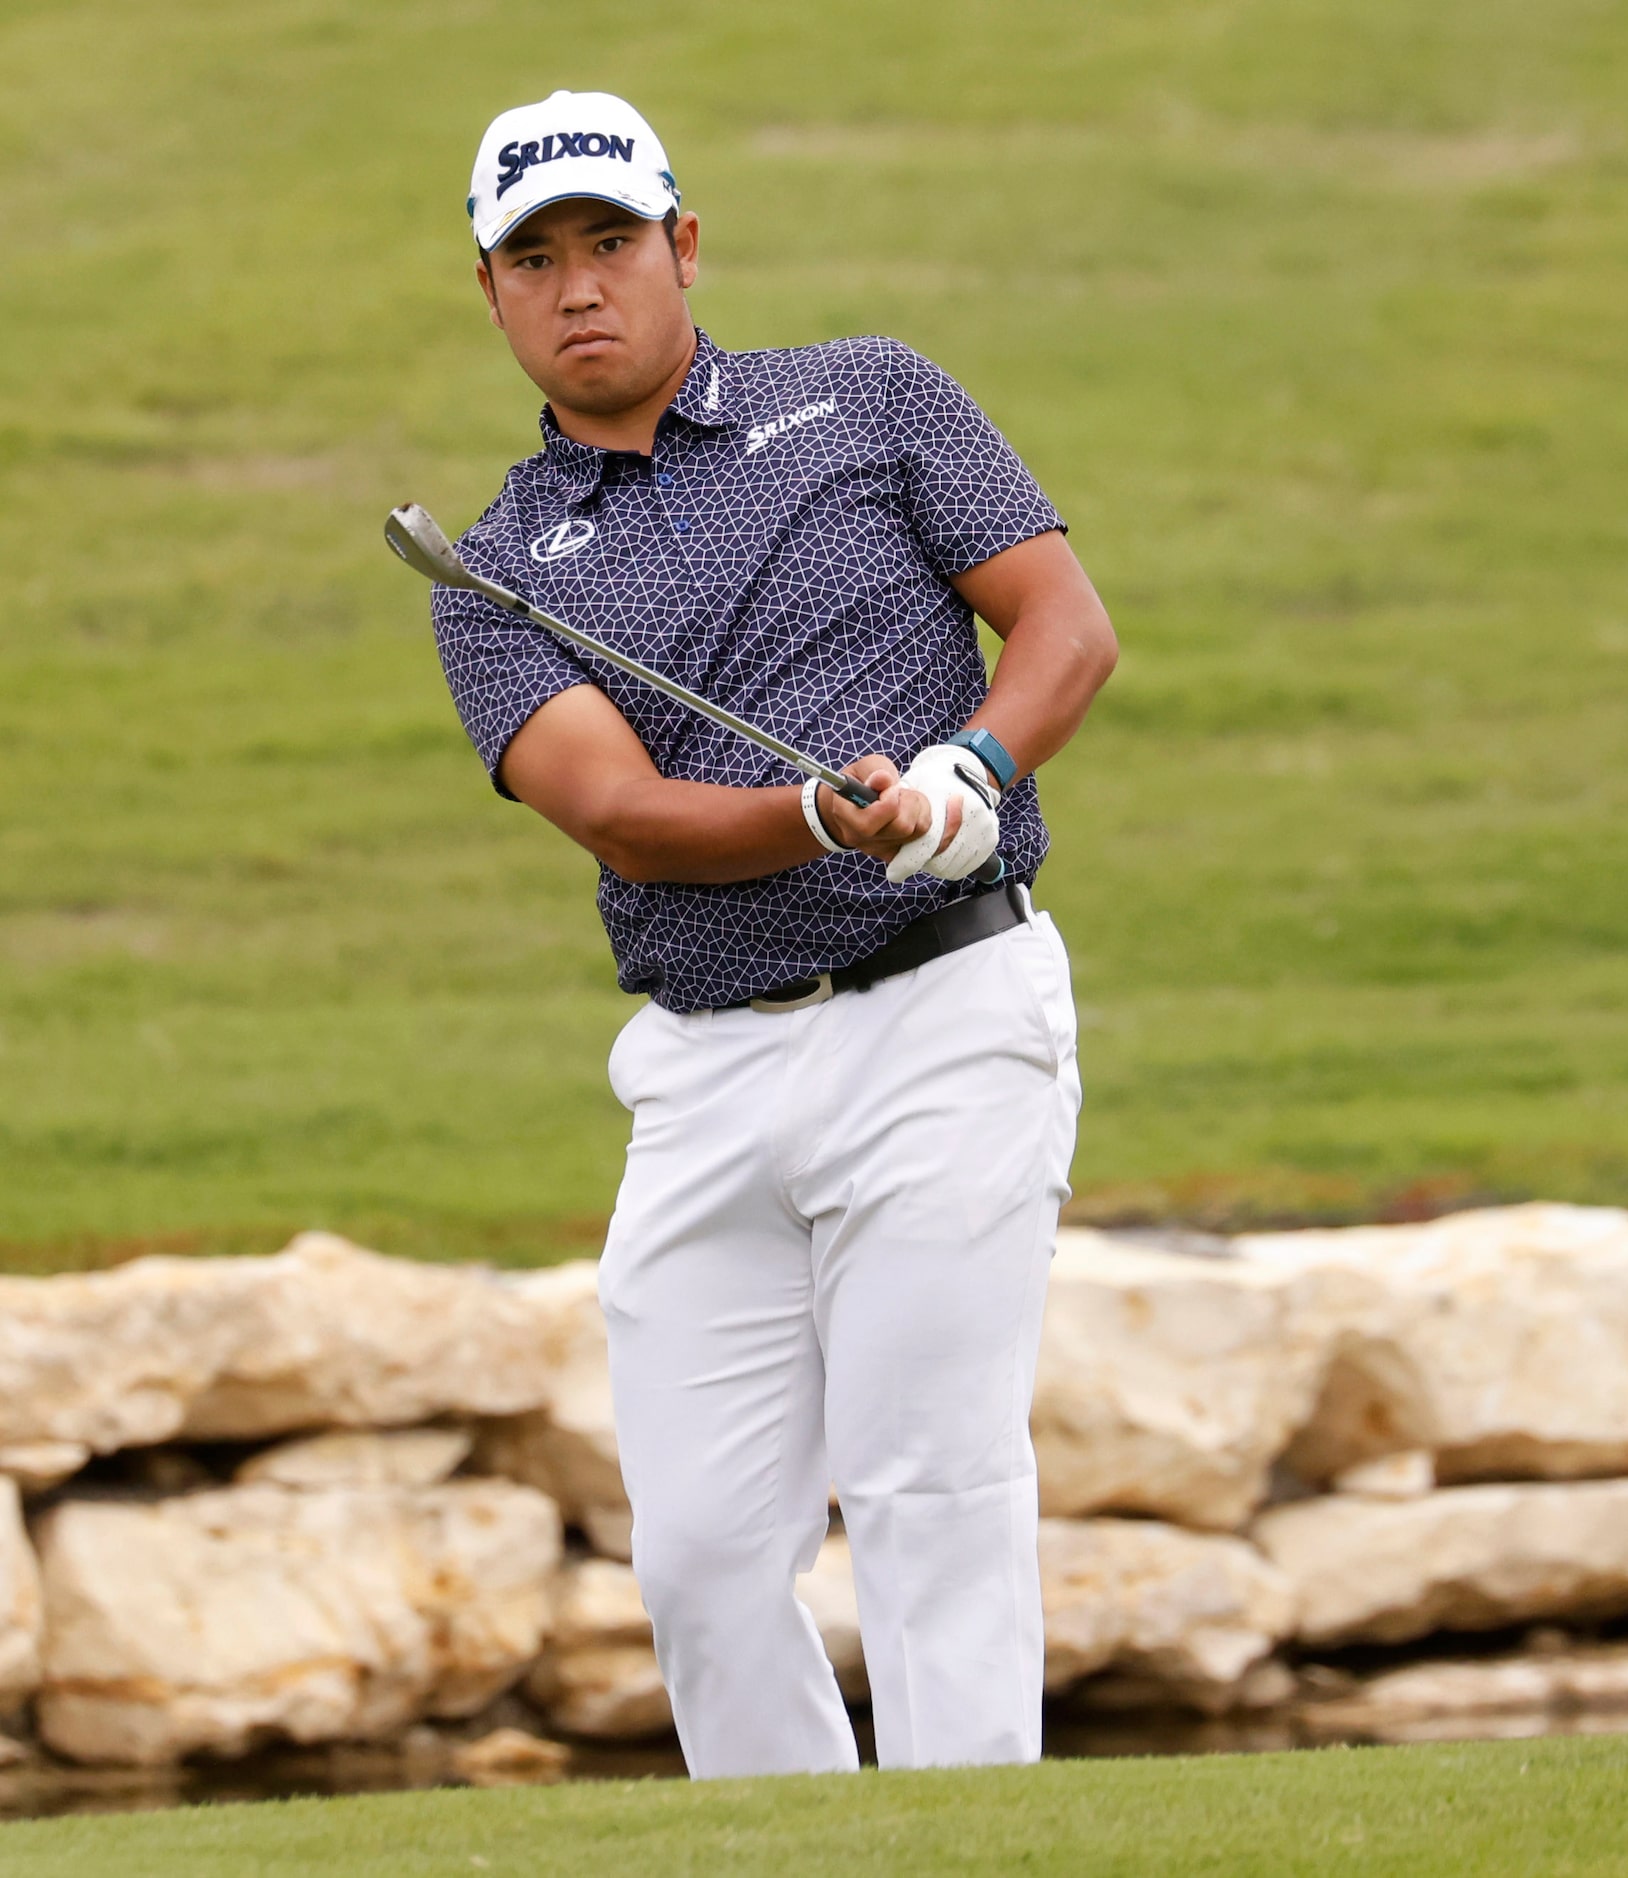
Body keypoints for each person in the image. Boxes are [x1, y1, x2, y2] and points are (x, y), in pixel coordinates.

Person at [429, 89, 1117, 1777]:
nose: (578, 285)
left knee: (928, 1485)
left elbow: (1061, 623)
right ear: (493, 295)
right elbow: (620, 811)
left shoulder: (867, 397)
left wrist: (975, 757)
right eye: (536, 259)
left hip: (941, 1009)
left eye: (608, 242)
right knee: (701, 1559)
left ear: (681, 245)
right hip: (707, 1073)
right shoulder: (493, 568)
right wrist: (815, 812)